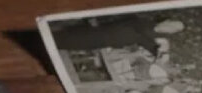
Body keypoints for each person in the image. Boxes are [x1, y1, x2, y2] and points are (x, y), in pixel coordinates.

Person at [52, 18, 185, 56]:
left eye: (174, 29)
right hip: (98, 31)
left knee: (67, 45)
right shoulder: (145, 22)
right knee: (64, 36)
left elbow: (149, 46)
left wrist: (162, 52)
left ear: (172, 32)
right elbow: (139, 28)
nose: (170, 27)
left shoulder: (153, 37)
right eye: (172, 24)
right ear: (166, 21)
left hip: (102, 42)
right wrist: (157, 41)